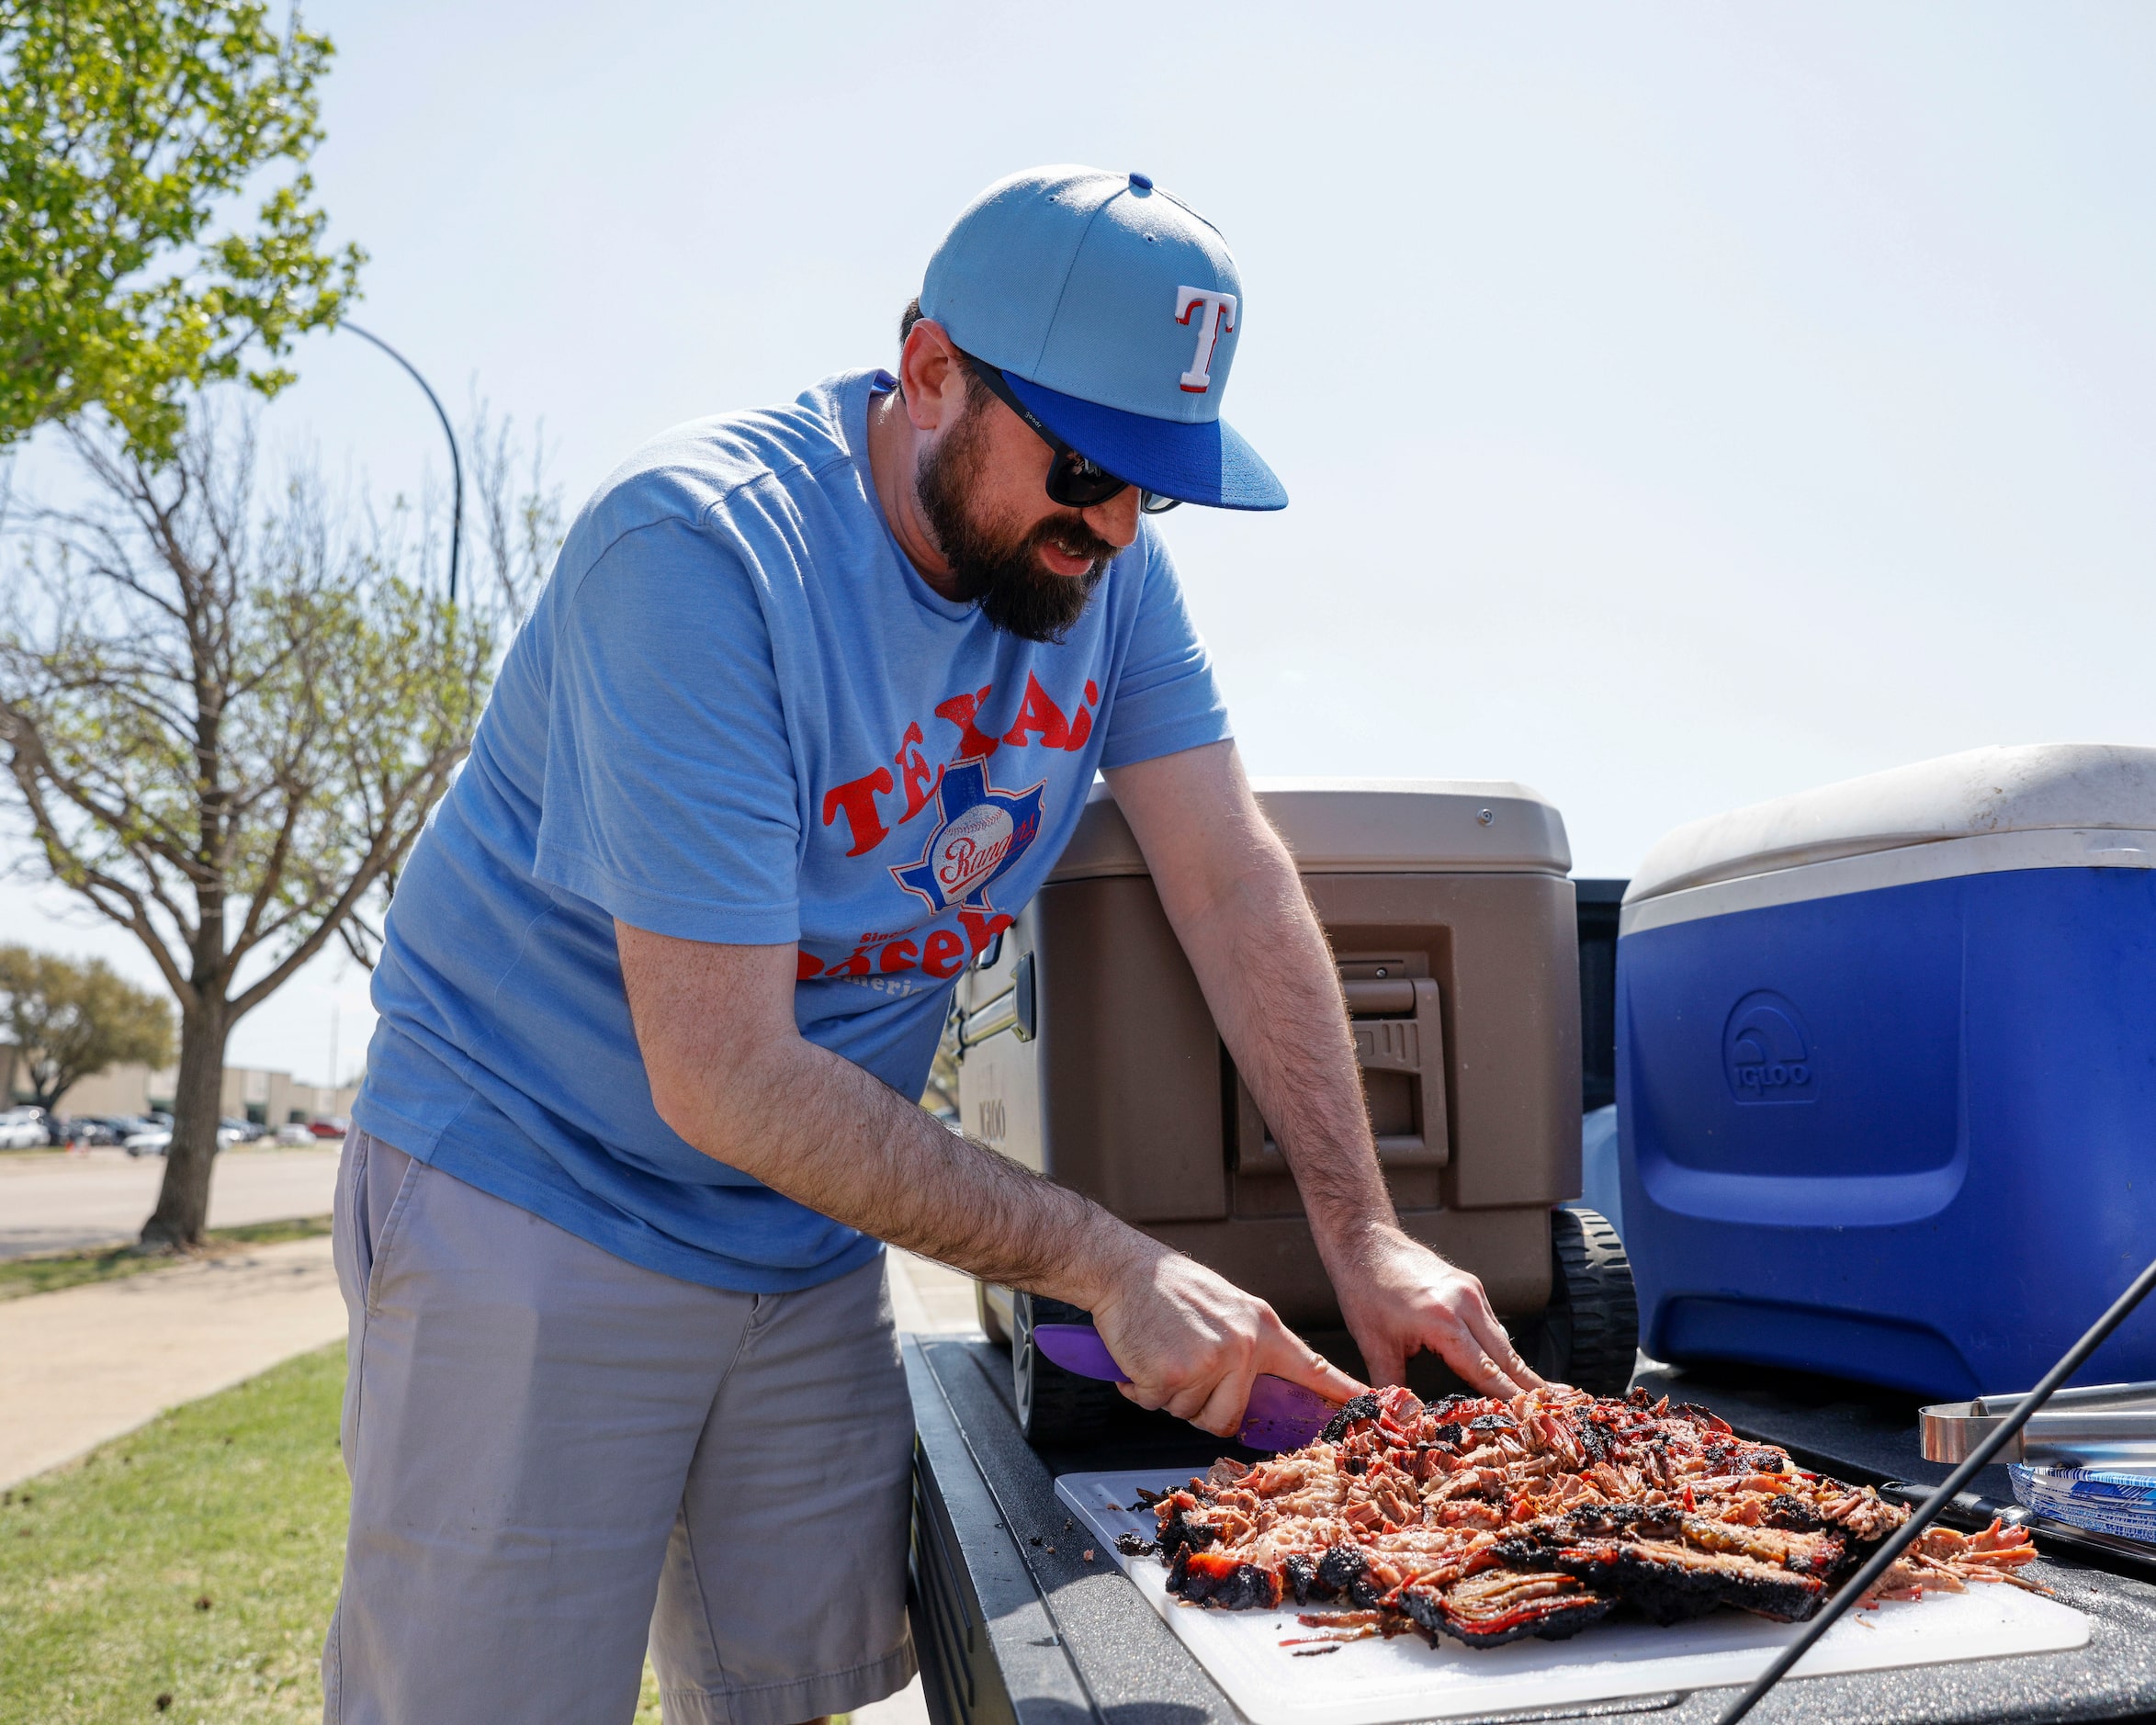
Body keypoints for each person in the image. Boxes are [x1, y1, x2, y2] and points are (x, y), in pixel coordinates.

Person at [324, 164, 1542, 1725]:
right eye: (1088, 464)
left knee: (783, 1698)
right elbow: (720, 1070)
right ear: (928, 372)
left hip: (800, 1218)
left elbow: (1230, 880)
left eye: (1151, 488)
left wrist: (1362, 1228)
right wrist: (1107, 1263)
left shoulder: (1107, 574)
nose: (1109, 527)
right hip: (539, 1187)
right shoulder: (695, 557)